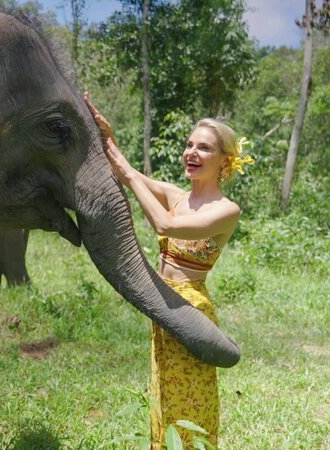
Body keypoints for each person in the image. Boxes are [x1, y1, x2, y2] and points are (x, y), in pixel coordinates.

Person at [84, 94, 253, 448]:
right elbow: (125, 171)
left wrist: (134, 179)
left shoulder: (227, 210)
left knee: (190, 396)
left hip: (191, 310)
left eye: (204, 148)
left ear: (225, 160)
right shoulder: (175, 195)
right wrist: (106, 135)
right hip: (161, 302)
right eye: (189, 145)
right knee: (164, 392)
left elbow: (165, 225)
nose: (192, 152)